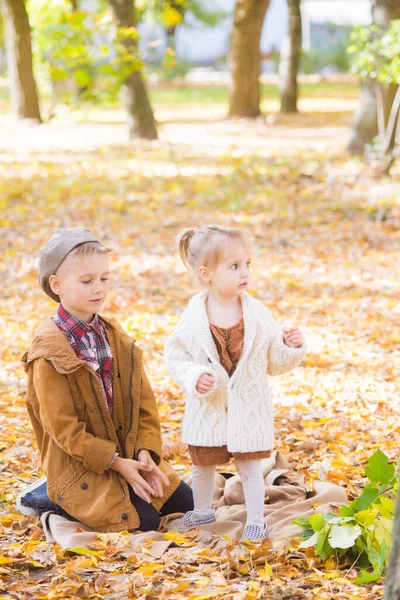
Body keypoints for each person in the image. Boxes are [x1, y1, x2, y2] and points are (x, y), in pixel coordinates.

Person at [17, 227, 193, 533]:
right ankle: (49, 494)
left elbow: (145, 405)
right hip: (82, 463)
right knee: (143, 523)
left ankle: (107, 481)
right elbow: (63, 429)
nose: (98, 288)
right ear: (56, 285)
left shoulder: (115, 337)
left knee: (186, 503)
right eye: (87, 281)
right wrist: (115, 463)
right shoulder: (48, 354)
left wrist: (144, 454)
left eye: (104, 278)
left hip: (125, 455)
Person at [164, 225, 306, 542]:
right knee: (202, 468)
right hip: (209, 408)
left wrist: (290, 347)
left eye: (247, 264)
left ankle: (256, 520)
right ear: (206, 274)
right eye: (234, 266)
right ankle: (202, 511)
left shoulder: (256, 314)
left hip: (248, 408)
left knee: (251, 469)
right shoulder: (193, 316)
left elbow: (274, 362)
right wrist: (193, 376)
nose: (244, 273)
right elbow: (176, 356)